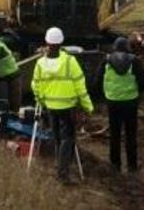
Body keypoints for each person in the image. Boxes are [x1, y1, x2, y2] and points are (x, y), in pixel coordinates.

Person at [31, 26, 93, 183]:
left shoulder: (40, 63)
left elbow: (36, 85)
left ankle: (60, 166)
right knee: (68, 138)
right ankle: (62, 173)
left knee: (58, 137)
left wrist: (40, 101)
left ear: (47, 42)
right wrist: (88, 106)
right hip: (67, 107)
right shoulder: (69, 62)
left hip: (51, 107)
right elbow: (80, 86)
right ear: (61, 42)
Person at [103, 36, 144, 174]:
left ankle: (115, 164)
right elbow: (143, 81)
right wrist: (139, 93)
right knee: (131, 135)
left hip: (113, 102)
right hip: (131, 102)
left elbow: (98, 79)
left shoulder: (107, 60)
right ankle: (132, 166)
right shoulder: (135, 61)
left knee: (114, 135)